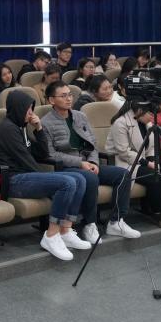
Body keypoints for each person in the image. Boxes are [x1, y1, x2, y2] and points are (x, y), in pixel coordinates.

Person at [0, 91, 92, 260]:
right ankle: (51, 235)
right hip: (13, 180)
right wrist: (49, 179)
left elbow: (43, 153)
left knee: (80, 179)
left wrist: (39, 129)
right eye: (28, 110)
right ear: (18, 109)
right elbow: (26, 160)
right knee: (67, 183)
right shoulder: (7, 129)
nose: (31, 113)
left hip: (26, 175)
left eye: (32, 109)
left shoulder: (21, 127)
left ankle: (65, 230)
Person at [41, 82, 139, 240]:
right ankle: (89, 224)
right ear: (51, 100)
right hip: (67, 168)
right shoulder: (45, 123)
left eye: (70, 94)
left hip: (89, 164)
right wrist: (80, 163)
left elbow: (92, 143)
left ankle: (116, 222)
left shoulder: (80, 116)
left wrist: (93, 162)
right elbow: (52, 154)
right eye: (63, 96)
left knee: (123, 174)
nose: (69, 99)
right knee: (91, 178)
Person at [105, 100, 161, 230]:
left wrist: (153, 160)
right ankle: (159, 212)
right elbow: (123, 152)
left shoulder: (147, 123)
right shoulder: (120, 123)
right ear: (139, 111)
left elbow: (151, 146)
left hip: (143, 161)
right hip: (125, 163)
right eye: (150, 113)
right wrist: (148, 163)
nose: (152, 117)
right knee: (157, 175)